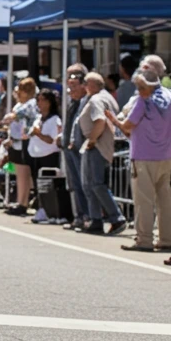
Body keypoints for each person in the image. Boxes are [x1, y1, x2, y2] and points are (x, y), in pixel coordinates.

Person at [115, 68, 171, 252]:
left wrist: (115, 121)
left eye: (141, 87)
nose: (139, 91)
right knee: (164, 200)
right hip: (166, 154)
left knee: (144, 200)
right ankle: (166, 239)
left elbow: (128, 125)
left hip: (143, 156)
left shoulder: (144, 101)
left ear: (148, 86)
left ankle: (144, 240)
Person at [77, 71, 127, 236]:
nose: (84, 87)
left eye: (85, 83)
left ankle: (116, 218)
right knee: (93, 185)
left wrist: (92, 140)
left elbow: (100, 120)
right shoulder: (107, 97)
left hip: (97, 145)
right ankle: (96, 220)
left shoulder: (97, 99)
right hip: (103, 145)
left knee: (95, 184)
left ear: (91, 85)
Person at [0, 78, 38, 215]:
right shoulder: (20, 104)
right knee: (19, 173)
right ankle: (21, 201)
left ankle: (22, 203)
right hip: (16, 142)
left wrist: (10, 117)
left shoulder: (31, 103)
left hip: (25, 142)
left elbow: (19, 115)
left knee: (23, 173)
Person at [60, 65, 92, 231]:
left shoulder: (87, 102)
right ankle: (79, 216)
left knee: (83, 184)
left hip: (80, 148)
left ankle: (88, 217)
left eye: (74, 85)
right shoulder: (72, 103)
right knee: (74, 184)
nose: (70, 89)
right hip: (69, 148)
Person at [26, 89, 63, 222]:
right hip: (36, 155)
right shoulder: (38, 118)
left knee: (48, 185)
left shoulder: (55, 120)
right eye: (38, 100)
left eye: (43, 100)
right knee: (38, 185)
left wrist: (38, 134)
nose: (40, 103)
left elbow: (51, 139)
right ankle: (41, 209)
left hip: (48, 155)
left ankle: (51, 211)